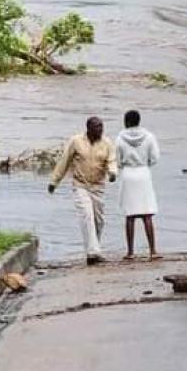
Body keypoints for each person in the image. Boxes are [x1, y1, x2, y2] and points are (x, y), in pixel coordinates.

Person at [49, 116, 118, 265]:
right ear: (88, 129)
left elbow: (111, 161)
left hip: (98, 187)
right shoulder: (76, 141)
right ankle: (94, 251)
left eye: (101, 127)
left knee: (99, 221)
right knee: (87, 215)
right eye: (96, 127)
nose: (100, 130)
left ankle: (92, 253)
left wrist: (113, 173)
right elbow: (64, 161)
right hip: (80, 185)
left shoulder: (107, 143)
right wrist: (54, 181)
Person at [116, 109, 161, 260]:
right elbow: (155, 158)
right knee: (147, 214)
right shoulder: (149, 137)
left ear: (127, 121)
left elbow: (116, 159)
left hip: (128, 174)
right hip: (143, 173)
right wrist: (145, 163)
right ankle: (153, 250)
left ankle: (130, 252)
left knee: (130, 215)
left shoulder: (120, 138)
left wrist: (123, 165)